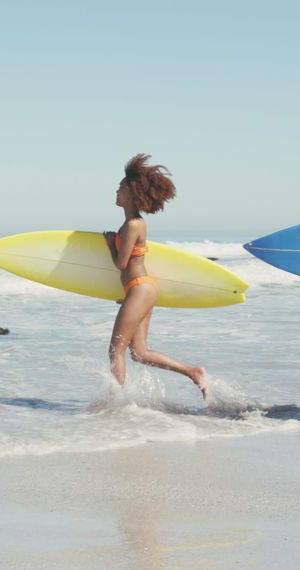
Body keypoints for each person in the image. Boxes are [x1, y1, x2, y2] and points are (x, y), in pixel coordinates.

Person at [103, 154, 208, 400]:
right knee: (139, 353)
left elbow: (121, 263)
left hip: (140, 288)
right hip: (138, 289)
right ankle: (193, 372)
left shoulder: (133, 225)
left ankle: (115, 402)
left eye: (120, 188)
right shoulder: (132, 223)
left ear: (130, 191)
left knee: (115, 351)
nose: (116, 192)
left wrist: (110, 244)